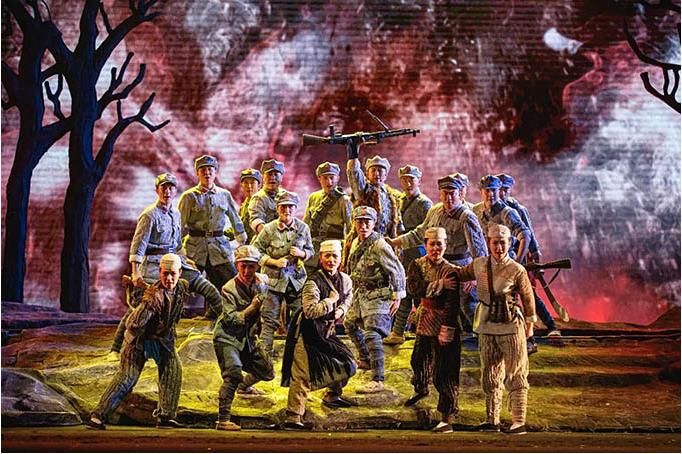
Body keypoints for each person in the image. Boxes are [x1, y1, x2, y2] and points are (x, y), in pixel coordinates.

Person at [87, 254, 207, 430]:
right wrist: (144, 312)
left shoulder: (181, 287)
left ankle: (166, 416)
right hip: (139, 343)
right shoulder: (153, 297)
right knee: (126, 378)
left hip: (163, 342)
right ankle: (98, 415)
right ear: (159, 272)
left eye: (173, 274)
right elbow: (132, 324)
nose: (169, 278)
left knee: (173, 370)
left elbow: (199, 288)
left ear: (180, 273)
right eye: (165, 274)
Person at [110, 173, 222, 356]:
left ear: (175, 191)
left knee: (209, 289)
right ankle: (115, 348)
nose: (167, 192)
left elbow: (177, 244)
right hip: (153, 266)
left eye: (171, 188)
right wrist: (135, 272)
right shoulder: (149, 215)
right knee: (143, 305)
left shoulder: (176, 214)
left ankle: (220, 333)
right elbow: (138, 246)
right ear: (157, 190)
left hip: (175, 262)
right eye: (163, 188)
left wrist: (185, 259)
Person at [454, 224, 536, 434]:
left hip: (510, 326)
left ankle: (518, 420)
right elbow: (459, 274)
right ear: (488, 243)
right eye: (495, 243)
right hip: (487, 325)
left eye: (503, 243)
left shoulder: (517, 270)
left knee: (516, 373)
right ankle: (492, 419)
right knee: (490, 375)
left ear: (509, 243)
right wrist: (437, 265)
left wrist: (530, 324)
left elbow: (528, 297)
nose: (499, 247)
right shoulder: (479, 264)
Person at [388, 175, 487, 333]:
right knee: (437, 306)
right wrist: (395, 242)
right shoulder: (435, 211)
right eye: (445, 193)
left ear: (459, 194)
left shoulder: (467, 217)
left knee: (468, 306)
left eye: (452, 193)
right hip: (437, 266)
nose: (448, 198)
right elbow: (420, 233)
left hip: (461, 268)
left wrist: (474, 277)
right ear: (440, 194)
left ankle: (482, 337)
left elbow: (480, 251)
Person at [281, 240, 356, 430]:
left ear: (340, 258)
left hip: (327, 331)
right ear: (321, 258)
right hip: (307, 331)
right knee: (302, 374)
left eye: (335, 256)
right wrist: (330, 301)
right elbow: (310, 311)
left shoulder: (345, 279)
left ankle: (332, 394)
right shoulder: (312, 282)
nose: (331, 260)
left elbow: (348, 297)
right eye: (327, 256)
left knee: (348, 363)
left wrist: (341, 310)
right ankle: (293, 415)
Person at [404, 227, 462, 434]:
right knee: (418, 360)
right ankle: (421, 388)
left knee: (443, 372)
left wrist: (447, 328)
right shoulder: (416, 265)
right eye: (432, 244)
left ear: (445, 245)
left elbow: (452, 302)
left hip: (445, 321)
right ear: (425, 245)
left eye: (439, 244)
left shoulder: (451, 271)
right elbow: (414, 288)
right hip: (424, 319)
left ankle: (447, 417)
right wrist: (439, 285)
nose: (436, 248)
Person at [343, 206, 406, 393]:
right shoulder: (356, 241)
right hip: (361, 294)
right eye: (359, 222)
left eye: (367, 222)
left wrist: (397, 296)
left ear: (373, 223)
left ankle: (378, 379)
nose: (363, 226)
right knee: (349, 324)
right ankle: (365, 359)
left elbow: (396, 269)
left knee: (372, 333)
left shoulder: (379, 245)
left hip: (378, 294)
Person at [496, 173, 560, 354]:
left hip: (518, 257)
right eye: (499, 189)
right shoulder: (490, 209)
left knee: (527, 294)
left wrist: (534, 255)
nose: (501, 193)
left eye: (505, 190)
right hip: (498, 258)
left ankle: (548, 327)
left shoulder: (517, 209)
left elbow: (528, 234)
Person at [213, 245, 275, 431]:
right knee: (233, 372)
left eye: (251, 266)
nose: (247, 271)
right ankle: (223, 419)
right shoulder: (229, 289)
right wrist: (251, 308)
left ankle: (243, 386)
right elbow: (231, 319)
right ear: (236, 265)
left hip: (248, 336)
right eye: (243, 266)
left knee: (267, 370)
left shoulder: (262, 282)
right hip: (228, 336)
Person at [251, 190, 314, 355]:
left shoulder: (303, 228)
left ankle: (300, 353)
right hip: (273, 281)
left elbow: (311, 251)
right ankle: (264, 355)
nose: (287, 210)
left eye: (290, 207)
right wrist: (274, 262)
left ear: (295, 209)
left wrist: (302, 254)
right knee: (269, 319)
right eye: (283, 207)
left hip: (296, 281)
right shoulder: (269, 229)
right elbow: (255, 252)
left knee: (301, 318)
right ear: (277, 209)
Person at [178, 155, 246, 296]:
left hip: (219, 248)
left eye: (210, 169)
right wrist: (179, 251)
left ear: (215, 172)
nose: (207, 173)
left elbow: (235, 219)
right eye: (203, 170)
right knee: (183, 284)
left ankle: (221, 308)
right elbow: (178, 225)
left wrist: (241, 240)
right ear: (197, 173)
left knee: (230, 285)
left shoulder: (224, 195)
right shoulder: (189, 196)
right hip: (195, 249)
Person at [384, 165, 432, 345]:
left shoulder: (424, 204)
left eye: (411, 179)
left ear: (418, 180)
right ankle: (398, 331)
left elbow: (426, 232)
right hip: (401, 253)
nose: (408, 183)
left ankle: (422, 331)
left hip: (418, 251)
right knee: (403, 291)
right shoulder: (399, 200)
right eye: (404, 179)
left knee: (420, 293)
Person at [303, 162, 352, 273]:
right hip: (315, 248)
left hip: (333, 247)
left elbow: (350, 228)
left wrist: (346, 253)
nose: (329, 182)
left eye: (332, 178)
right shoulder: (313, 197)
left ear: (337, 178)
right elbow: (305, 224)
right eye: (325, 178)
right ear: (319, 179)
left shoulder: (344, 200)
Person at [476, 175, 530, 263]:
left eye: (494, 190)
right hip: (486, 260)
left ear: (498, 191)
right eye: (487, 190)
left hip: (505, 260)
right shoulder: (476, 210)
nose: (491, 194)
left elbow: (525, 236)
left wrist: (517, 262)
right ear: (481, 192)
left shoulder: (507, 213)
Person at [346, 154, 403, 237]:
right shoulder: (363, 190)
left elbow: (398, 219)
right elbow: (354, 174)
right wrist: (353, 156)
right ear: (367, 174)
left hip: (386, 238)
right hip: (365, 237)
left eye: (380, 171)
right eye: (373, 170)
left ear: (385, 175)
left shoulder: (392, 195)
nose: (376, 173)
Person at [248, 159, 287, 236]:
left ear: (281, 177)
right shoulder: (258, 198)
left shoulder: (286, 196)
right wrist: (270, 235)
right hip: (266, 238)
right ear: (263, 177)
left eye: (276, 174)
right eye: (269, 174)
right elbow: (255, 220)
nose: (272, 177)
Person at [238, 168, 262, 243]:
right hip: (249, 244)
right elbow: (240, 227)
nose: (249, 186)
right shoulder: (244, 205)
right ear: (242, 185)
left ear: (259, 185)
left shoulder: (263, 202)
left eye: (252, 183)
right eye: (246, 183)